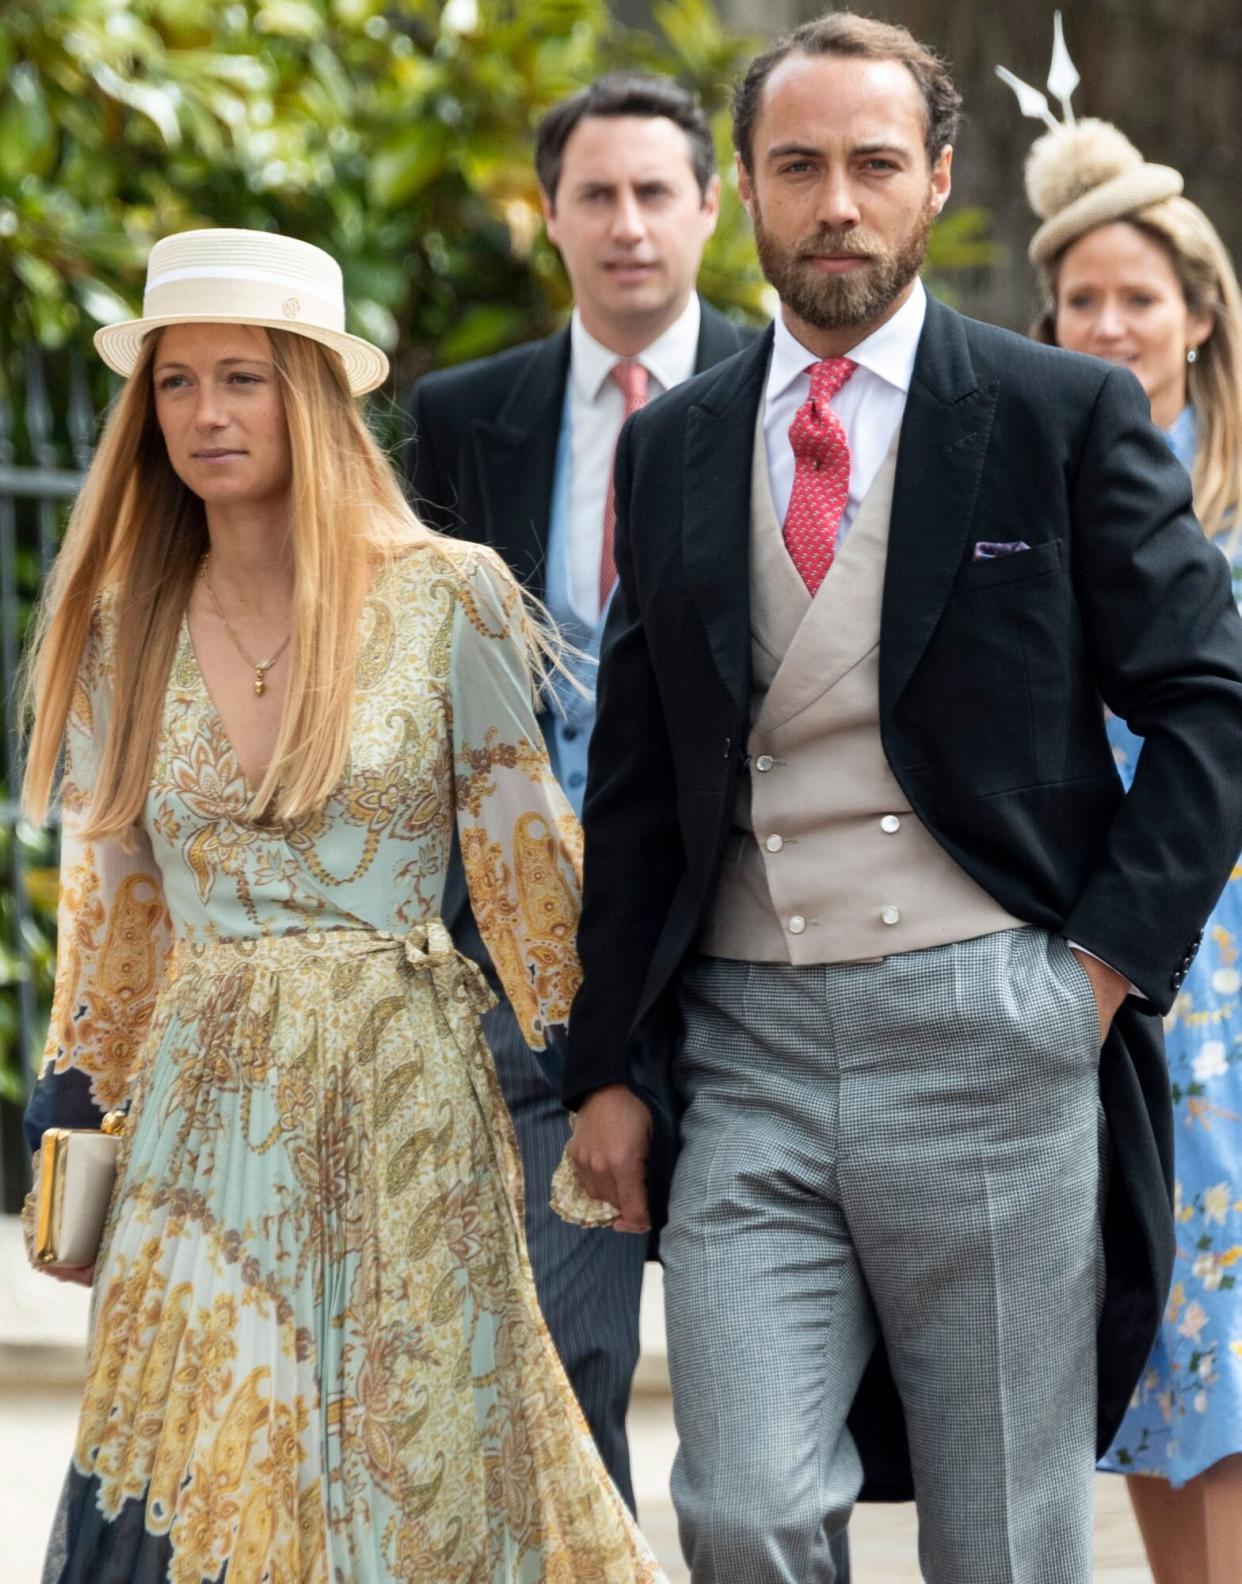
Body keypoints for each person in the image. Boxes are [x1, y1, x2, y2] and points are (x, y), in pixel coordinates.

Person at [553, 12, 1242, 1584]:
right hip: (743, 1048)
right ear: (745, 189)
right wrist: (610, 1064)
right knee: (735, 1503)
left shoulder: (1057, 417)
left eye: (873, 165)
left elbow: (1207, 704)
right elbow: (640, 783)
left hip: (992, 1034)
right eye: (797, 167)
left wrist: (1088, 982)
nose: (837, 204)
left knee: (1002, 1535)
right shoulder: (669, 450)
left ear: (936, 180)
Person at [20, 227, 666, 1584]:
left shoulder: (447, 600)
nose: (205, 415)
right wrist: (72, 1117)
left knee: (410, 1468)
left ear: (310, 391)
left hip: (400, 1106)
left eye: (242, 378)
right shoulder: (113, 623)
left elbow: (526, 877)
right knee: (201, 1468)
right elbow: (118, 906)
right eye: (177, 384)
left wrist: (615, 1085)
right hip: (200, 1117)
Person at [406, 70, 764, 1517]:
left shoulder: (781, 392)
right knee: (557, 1350)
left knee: (755, 1393)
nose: (626, 226)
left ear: (707, 208)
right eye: (594, 195)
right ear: (547, 214)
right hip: (527, 957)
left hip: (743, 937)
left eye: (653, 194)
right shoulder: (465, 415)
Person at [1015, 83, 1242, 1584]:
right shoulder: (1024, 511)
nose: (1105, 324)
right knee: (1169, 1351)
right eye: (1077, 300)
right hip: (1117, 965)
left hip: (1228, 969)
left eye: (1135, 297)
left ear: (1197, 317)